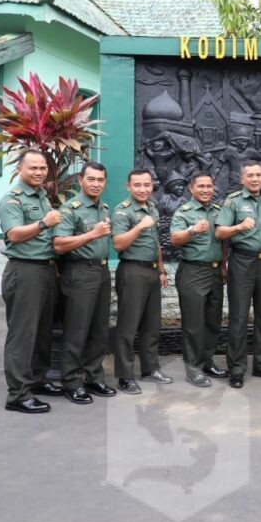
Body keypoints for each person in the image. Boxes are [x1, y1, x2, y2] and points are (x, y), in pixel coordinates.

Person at [0, 149, 63, 414]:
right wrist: (44, 224)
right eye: (33, 168)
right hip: (24, 272)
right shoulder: (12, 200)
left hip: (45, 270)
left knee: (42, 331)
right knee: (22, 334)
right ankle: (17, 394)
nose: (38, 172)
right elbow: (13, 234)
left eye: (42, 168)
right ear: (20, 169)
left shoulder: (42, 196)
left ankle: (36, 380)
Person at [217, 161, 261, 388]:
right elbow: (220, 232)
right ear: (242, 179)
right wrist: (239, 227)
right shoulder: (233, 201)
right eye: (250, 175)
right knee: (238, 317)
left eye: (259, 175)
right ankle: (236, 368)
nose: (255, 179)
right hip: (242, 261)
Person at [52, 161, 115, 404]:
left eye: (100, 180)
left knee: (99, 329)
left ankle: (93, 376)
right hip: (79, 273)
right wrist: (92, 234)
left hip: (101, 271)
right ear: (81, 180)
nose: (96, 184)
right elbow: (58, 244)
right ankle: (72, 382)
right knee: (77, 330)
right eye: (91, 179)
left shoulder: (103, 208)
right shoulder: (71, 209)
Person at [112, 168, 171, 395]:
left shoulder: (152, 208)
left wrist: (162, 270)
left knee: (151, 325)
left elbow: (154, 242)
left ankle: (150, 369)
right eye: (137, 185)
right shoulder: (122, 212)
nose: (143, 189)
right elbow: (118, 244)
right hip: (132, 271)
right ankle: (125, 376)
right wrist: (139, 226)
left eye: (147, 185)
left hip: (152, 272)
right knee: (128, 327)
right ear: (129, 186)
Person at [169, 171, 227, 388]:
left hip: (214, 272)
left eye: (209, 186)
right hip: (193, 271)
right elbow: (174, 239)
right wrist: (192, 230)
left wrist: (223, 265)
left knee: (212, 321)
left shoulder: (218, 211)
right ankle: (193, 367)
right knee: (194, 323)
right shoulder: (184, 212)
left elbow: (222, 242)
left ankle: (207, 361)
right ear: (191, 189)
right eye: (201, 186)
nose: (205, 190)